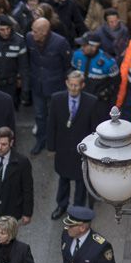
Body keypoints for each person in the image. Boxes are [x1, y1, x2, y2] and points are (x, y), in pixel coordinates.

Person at [47, 70, 103, 217]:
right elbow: (51, 124)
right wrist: (51, 147)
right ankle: (61, 205)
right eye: (71, 85)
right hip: (63, 149)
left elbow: (94, 130)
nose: (73, 88)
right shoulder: (56, 99)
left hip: (82, 151)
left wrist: (93, 152)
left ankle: (77, 210)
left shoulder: (91, 102)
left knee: (81, 182)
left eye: (76, 85)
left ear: (82, 85)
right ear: (66, 83)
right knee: (63, 179)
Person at [26, 17, 71, 155]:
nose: (32, 33)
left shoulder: (60, 42)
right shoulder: (29, 38)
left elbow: (67, 65)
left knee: (55, 116)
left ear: (44, 32)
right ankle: (41, 140)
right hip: (37, 85)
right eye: (32, 30)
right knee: (39, 115)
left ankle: (55, 142)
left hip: (56, 87)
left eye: (35, 31)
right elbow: (28, 59)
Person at [71, 31, 119, 114]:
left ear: (94, 47)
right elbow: (71, 71)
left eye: (84, 45)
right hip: (79, 98)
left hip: (99, 102)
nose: (81, 47)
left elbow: (116, 84)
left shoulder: (108, 62)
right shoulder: (77, 55)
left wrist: (105, 94)